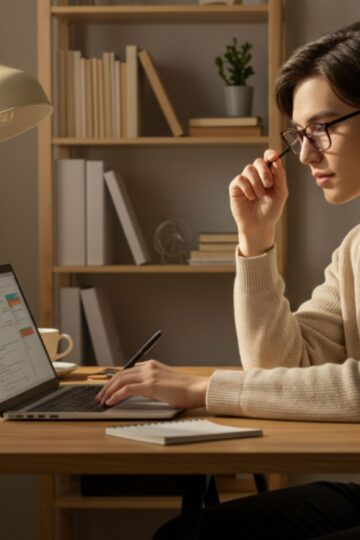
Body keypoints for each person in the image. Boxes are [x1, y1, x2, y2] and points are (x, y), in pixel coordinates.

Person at [96, 21, 360, 539]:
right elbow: (278, 367)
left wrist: (202, 390)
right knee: (186, 535)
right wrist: (256, 240)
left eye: (322, 129)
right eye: (300, 135)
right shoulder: (355, 247)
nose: (306, 155)